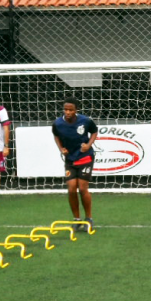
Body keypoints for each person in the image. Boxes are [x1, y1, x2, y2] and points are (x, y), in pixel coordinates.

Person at [52, 98, 98, 231]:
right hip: (70, 159)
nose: (68, 112)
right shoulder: (58, 123)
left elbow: (94, 131)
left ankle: (88, 218)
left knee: (83, 188)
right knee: (72, 188)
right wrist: (61, 148)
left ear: (76, 110)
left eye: (71, 110)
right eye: (66, 109)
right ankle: (77, 219)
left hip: (85, 157)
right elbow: (56, 136)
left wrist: (88, 145)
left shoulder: (85, 121)